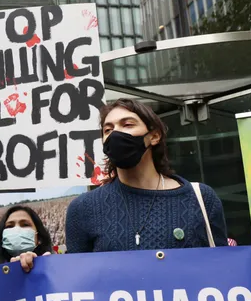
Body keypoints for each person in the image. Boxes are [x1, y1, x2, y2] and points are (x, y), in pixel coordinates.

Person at [65, 99, 228, 252]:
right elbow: (76, 275)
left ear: (154, 136)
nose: (115, 134)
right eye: (108, 130)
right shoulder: (83, 208)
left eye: (127, 124)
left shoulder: (201, 199)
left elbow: (221, 266)